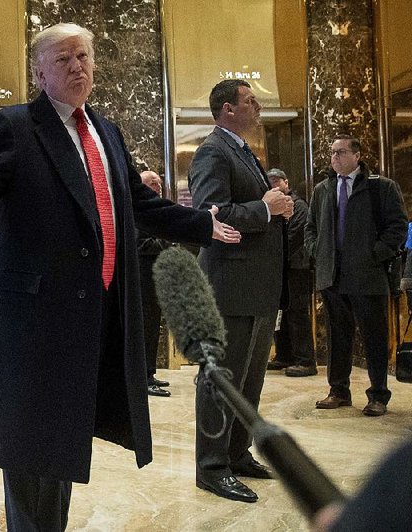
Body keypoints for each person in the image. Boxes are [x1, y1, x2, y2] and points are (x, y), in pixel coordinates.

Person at [0, 23, 240, 530]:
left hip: (93, 313)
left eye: (83, 56)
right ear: (39, 72)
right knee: (30, 448)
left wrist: (200, 224)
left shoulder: (105, 130)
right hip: (37, 320)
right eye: (62, 59)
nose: (76, 66)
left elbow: (137, 201)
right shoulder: (15, 126)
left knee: (61, 444)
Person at [188, 79, 293, 503]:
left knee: (249, 382)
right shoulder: (212, 150)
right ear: (228, 109)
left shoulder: (243, 151)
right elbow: (211, 213)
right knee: (221, 381)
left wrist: (276, 207)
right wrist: (266, 208)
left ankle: (236, 453)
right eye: (251, 100)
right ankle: (211, 467)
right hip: (228, 288)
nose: (259, 107)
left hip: (257, 290)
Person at [304, 134, 407, 416]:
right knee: (338, 338)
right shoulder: (323, 189)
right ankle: (338, 391)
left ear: (357, 155)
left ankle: (377, 395)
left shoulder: (381, 188)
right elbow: (310, 227)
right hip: (333, 276)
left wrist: (375, 254)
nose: (335, 158)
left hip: (368, 276)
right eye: (333, 153)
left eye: (341, 152)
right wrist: (318, 251)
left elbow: (397, 227)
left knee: (374, 337)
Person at [265, 168, 317, 377]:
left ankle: (305, 360)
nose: (274, 185)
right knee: (282, 314)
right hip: (282, 269)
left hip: (298, 269)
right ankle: (284, 356)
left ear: (286, 182)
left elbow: (293, 238)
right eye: (270, 182)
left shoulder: (299, 205)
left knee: (297, 313)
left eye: (277, 181)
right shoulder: (273, 207)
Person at [136, 170, 173, 397]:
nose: (158, 187)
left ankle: (149, 373)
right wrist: (167, 242)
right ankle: (142, 379)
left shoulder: (155, 208)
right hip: (142, 278)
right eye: (152, 183)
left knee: (152, 326)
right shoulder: (137, 209)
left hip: (155, 278)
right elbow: (139, 244)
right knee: (143, 328)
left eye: (159, 183)